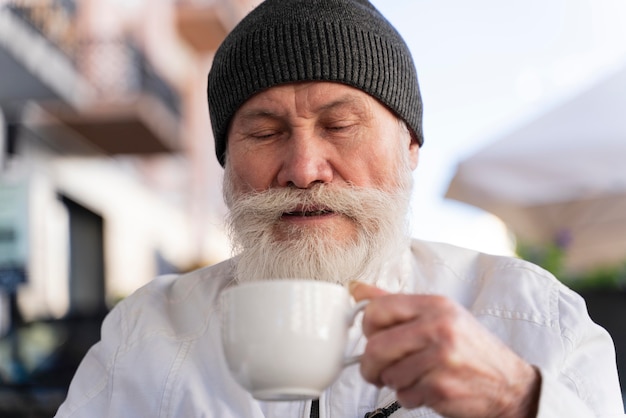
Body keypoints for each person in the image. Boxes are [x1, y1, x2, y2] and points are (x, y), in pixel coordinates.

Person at [56, 0, 624, 417]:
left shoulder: (531, 318)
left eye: (340, 126)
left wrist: (517, 400)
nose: (304, 169)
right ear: (226, 163)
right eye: (264, 132)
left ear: (410, 147)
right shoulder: (148, 335)